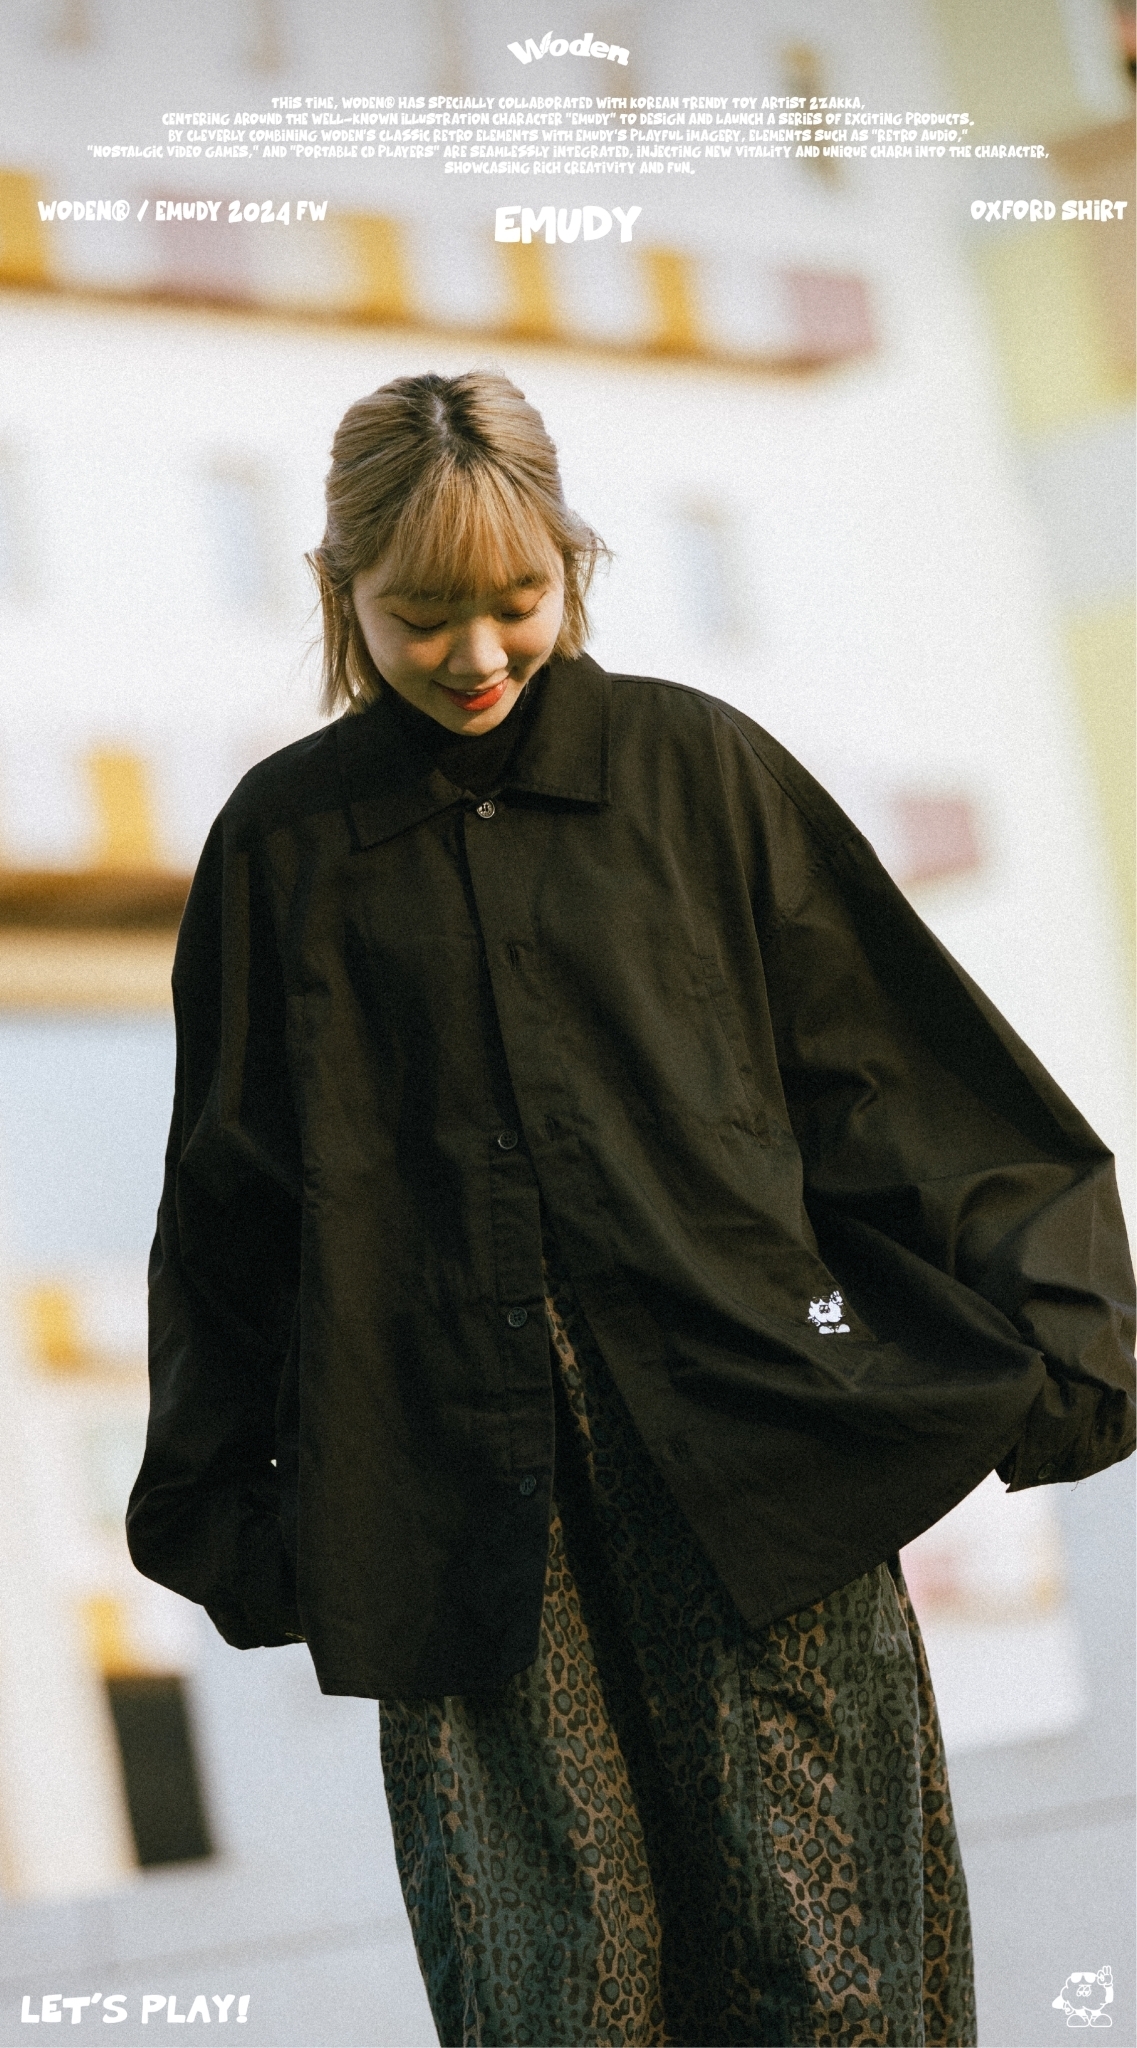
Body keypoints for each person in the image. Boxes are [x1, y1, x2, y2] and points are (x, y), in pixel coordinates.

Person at [127, 370, 1135, 2048]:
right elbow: (232, 1208)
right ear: (338, 591)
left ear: (571, 563)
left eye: (515, 599)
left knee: (835, 1981)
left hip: (758, 1478)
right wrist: (234, 1516)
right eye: (420, 614)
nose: (475, 654)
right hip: (461, 1534)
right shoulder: (282, 849)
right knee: (556, 1999)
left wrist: (1064, 1340)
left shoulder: (696, 773)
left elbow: (891, 1075)